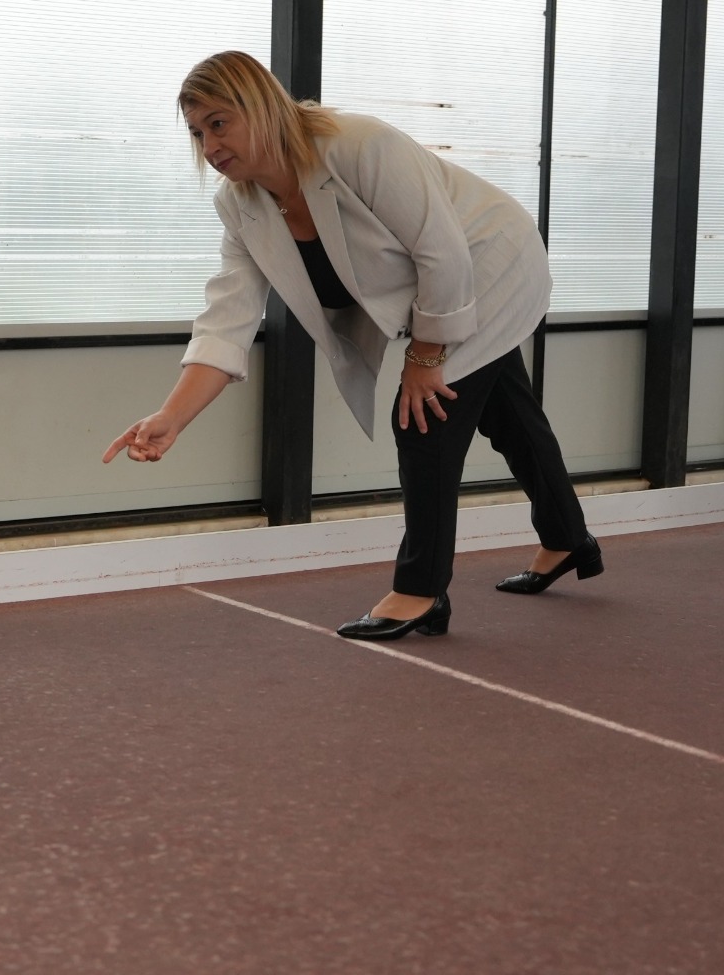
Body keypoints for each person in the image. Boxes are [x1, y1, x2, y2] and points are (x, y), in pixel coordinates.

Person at [102, 51, 600, 639]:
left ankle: (420, 590)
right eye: (196, 133)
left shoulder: (357, 145)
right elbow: (228, 318)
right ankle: (568, 539)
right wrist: (172, 417)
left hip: (491, 263)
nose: (209, 146)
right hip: (439, 287)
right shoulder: (240, 205)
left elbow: (442, 250)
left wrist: (424, 358)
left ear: (260, 107)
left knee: (423, 415)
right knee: (507, 413)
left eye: (218, 123)